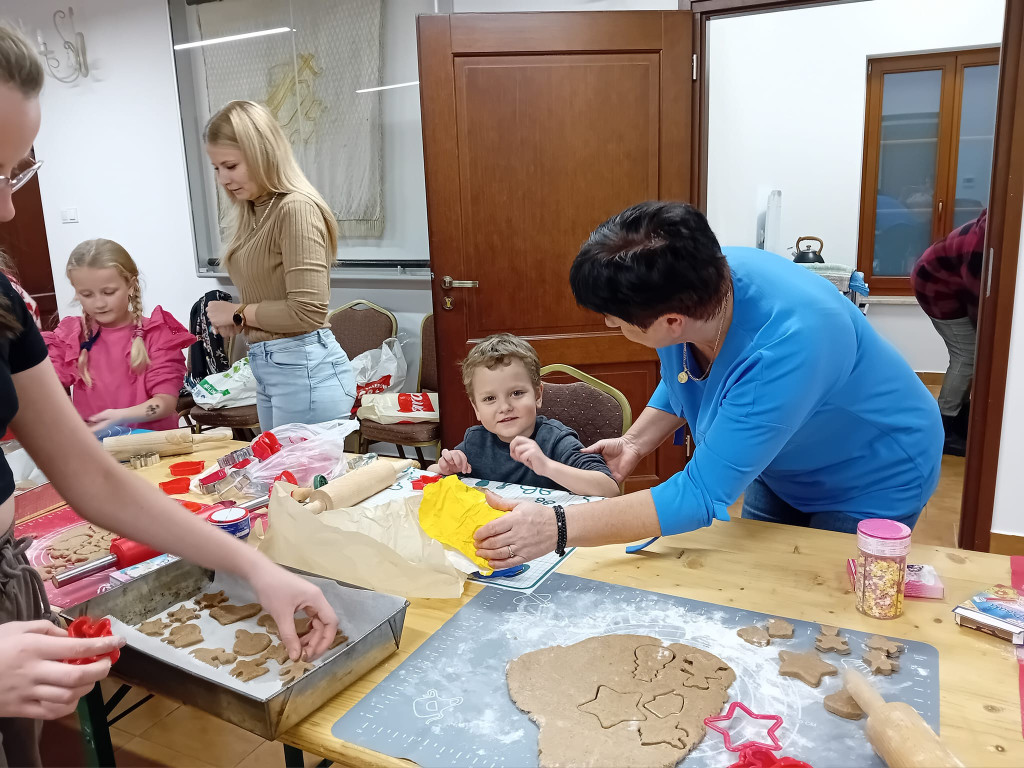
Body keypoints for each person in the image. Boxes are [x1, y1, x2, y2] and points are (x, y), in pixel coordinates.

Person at [0, 25, 337, 767]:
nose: (7, 213)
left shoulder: (2, 305)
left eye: (14, 175)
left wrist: (255, 568)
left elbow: (89, 474)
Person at [474, 202, 943, 571]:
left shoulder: (790, 343)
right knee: (756, 580)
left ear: (673, 321)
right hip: (782, 463)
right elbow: (686, 377)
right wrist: (636, 442)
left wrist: (556, 525)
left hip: (872, 473)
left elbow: (700, 496)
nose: (610, 325)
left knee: (819, 608)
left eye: (618, 323)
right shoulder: (697, 284)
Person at [203, 100, 355, 429]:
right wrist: (241, 321)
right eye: (216, 168)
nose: (223, 179)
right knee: (279, 479)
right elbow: (271, 294)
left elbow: (307, 311)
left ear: (263, 153)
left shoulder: (295, 209)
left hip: (303, 370)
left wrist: (239, 312)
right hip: (270, 366)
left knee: (296, 481)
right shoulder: (253, 210)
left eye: (230, 165)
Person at [428, 334, 619, 497]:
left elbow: (609, 488)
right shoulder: (474, 442)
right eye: (489, 398)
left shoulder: (556, 440)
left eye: (517, 393)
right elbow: (429, 476)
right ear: (476, 408)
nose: (504, 407)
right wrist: (444, 469)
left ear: (537, 395)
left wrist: (547, 466)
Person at [42, 239, 196, 434]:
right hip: (98, 449)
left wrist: (120, 416)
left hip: (152, 447)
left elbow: (164, 404)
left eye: (108, 292)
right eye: (87, 294)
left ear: (131, 286)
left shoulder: (157, 335)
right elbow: (44, 385)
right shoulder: (72, 336)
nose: (99, 303)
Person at [910, 210, 986, 457]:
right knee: (967, 355)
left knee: (970, 355)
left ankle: (960, 418)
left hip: (949, 284)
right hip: (936, 287)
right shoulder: (981, 246)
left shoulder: (993, 231)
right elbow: (980, 303)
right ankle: (945, 428)